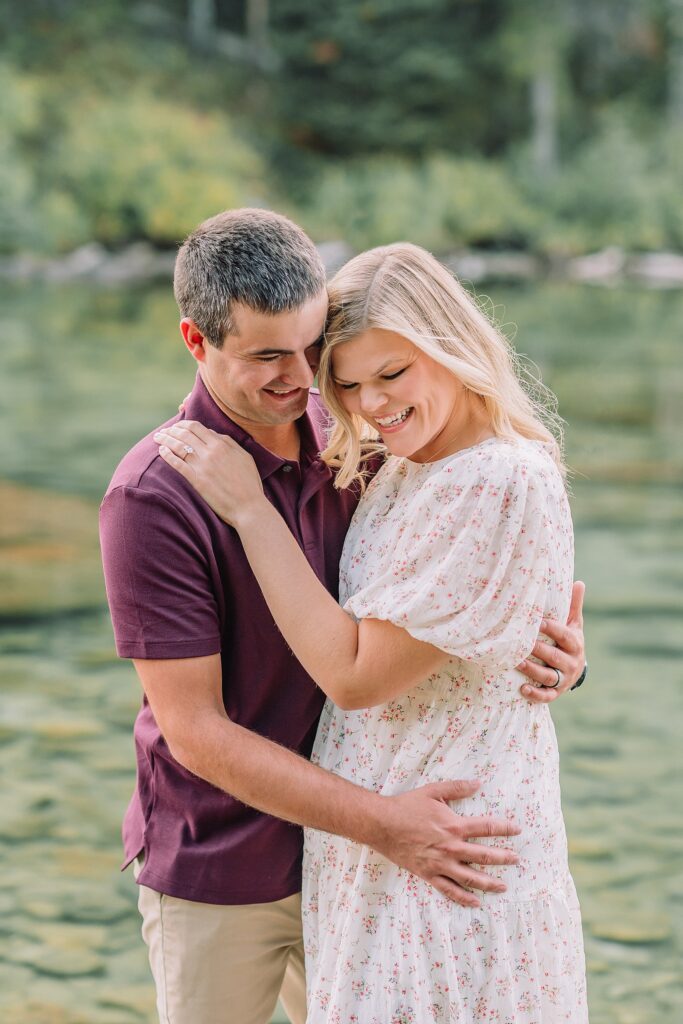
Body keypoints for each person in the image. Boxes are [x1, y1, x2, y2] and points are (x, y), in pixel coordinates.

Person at [100, 209, 587, 1024]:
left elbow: (466, 568)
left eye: (311, 349)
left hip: (368, 860)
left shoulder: (361, 440)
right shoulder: (155, 496)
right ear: (196, 341)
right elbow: (196, 733)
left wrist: (548, 653)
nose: (303, 382)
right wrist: (383, 826)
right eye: (267, 357)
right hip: (231, 864)